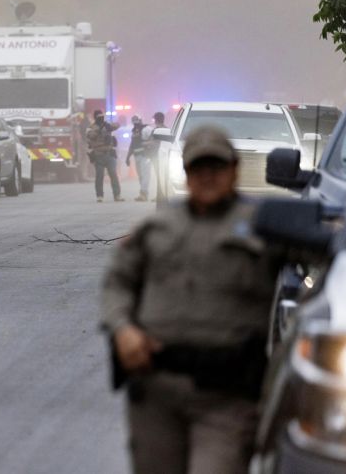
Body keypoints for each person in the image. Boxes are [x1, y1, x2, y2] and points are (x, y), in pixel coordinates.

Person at [100, 127, 277, 474]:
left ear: (235, 169)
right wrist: (122, 329)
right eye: (199, 168)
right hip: (156, 391)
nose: (208, 176)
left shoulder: (265, 228)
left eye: (217, 167)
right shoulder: (157, 226)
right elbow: (118, 282)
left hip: (226, 397)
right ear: (186, 171)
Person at [86, 110, 123, 202]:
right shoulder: (91, 127)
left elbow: (118, 125)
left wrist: (108, 126)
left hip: (109, 154)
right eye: (99, 117)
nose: (101, 118)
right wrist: (99, 130)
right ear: (95, 118)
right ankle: (99, 196)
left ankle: (117, 195)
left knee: (113, 175)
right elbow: (89, 135)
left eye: (102, 116)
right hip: (98, 155)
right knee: (99, 176)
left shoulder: (107, 125)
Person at [125, 115, 151, 202]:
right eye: (134, 122)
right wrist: (128, 157)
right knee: (140, 176)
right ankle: (144, 194)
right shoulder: (134, 131)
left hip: (145, 156)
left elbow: (154, 140)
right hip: (137, 156)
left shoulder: (146, 129)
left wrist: (147, 145)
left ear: (140, 120)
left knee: (145, 175)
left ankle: (143, 193)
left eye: (137, 122)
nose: (136, 124)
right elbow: (132, 145)